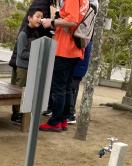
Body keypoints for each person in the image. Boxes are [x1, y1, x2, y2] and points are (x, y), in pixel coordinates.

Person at [38, 0, 90, 132]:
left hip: (65, 48)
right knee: (66, 87)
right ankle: (62, 120)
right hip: (75, 49)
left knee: (58, 87)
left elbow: (72, 21)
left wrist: (52, 22)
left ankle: (55, 121)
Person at [11, 7, 44, 124]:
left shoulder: (36, 33)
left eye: (41, 17)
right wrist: (37, 53)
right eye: (37, 16)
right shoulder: (23, 34)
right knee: (19, 92)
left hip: (31, 67)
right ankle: (16, 115)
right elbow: (22, 53)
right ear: (29, 18)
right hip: (22, 68)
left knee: (28, 92)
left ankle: (23, 113)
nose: (40, 19)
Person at [66, 41, 92, 123]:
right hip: (78, 68)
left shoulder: (85, 41)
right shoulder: (88, 42)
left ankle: (71, 114)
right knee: (72, 89)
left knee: (72, 90)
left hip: (78, 68)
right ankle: (69, 113)